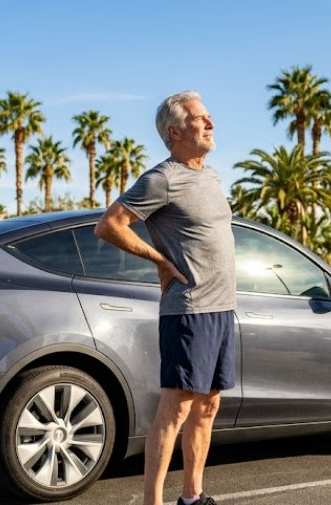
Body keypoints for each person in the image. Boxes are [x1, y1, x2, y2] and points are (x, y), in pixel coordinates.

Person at [94, 90, 233, 505]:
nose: (209, 123)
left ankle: (192, 496)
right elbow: (109, 225)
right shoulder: (163, 178)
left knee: (208, 407)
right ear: (174, 131)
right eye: (199, 118)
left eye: (209, 116)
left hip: (222, 308)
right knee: (176, 409)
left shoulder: (210, 176)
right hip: (189, 310)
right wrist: (158, 259)